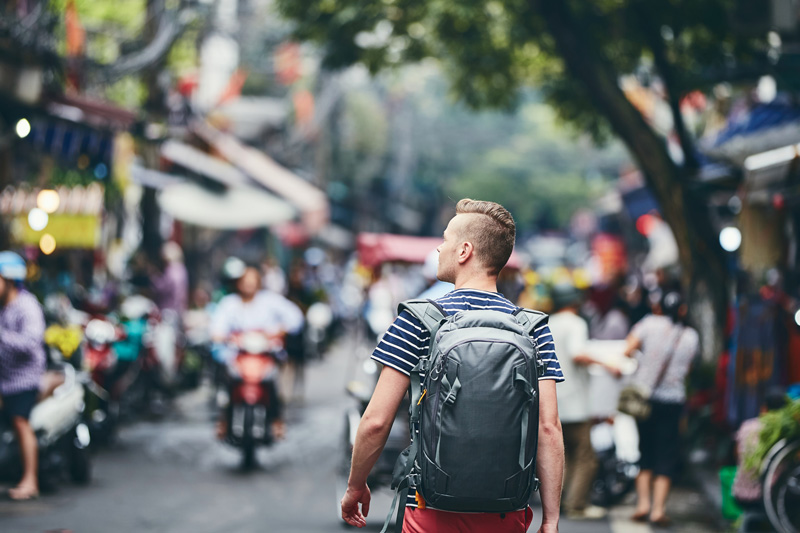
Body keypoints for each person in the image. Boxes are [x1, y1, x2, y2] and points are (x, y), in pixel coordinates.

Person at [341, 199, 565, 533]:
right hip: (506, 516)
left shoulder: (418, 319)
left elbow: (375, 421)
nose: (438, 248)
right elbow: (548, 429)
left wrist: (355, 485)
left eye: (445, 240)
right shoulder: (532, 328)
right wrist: (551, 518)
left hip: (430, 511)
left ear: (464, 251)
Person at [623, 290, 699, 526]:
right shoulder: (691, 336)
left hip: (646, 399)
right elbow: (687, 370)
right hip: (673, 402)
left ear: (659, 307)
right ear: (682, 310)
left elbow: (627, 349)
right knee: (666, 455)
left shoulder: (648, 324)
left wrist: (645, 360)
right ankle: (658, 510)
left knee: (645, 450)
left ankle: (642, 504)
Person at [210, 262, 305, 439]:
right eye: (245, 281)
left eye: (253, 280)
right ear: (238, 283)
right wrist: (221, 336)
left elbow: (295, 317)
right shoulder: (229, 304)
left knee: (273, 381)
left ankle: (277, 419)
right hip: (238, 355)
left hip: (265, 355)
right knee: (226, 379)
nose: (249, 285)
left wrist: (280, 330)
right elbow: (217, 327)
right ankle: (224, 418)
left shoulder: (270, 301)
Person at [549, 283, 619, 520]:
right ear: (574, 302)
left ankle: (560, 501)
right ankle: (576, 504)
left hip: (552, 401)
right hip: (575, 403)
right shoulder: (576, 324)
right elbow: (577, 352)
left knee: (561, 454)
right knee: (585, 455)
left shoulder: (547, 323)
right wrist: (608, 363)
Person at [0, 252, 46, 500]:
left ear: (9, 280)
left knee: (20, 421)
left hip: (24, 380)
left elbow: (30, 342)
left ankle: (31, 480)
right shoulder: (4, 307)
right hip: (4, 379)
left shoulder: (27, 306)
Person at [732, 386, 788, 532]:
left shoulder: (746, 426)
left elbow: (737, 455)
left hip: (739, 493)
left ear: (763, 408)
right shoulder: (783, 433)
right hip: (766, 498)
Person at [151, 241, 189, 315]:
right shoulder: (182, 269)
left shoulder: (171, 269)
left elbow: (162, 288)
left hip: (168, 310)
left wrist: (154, 278)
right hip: (179, 309)